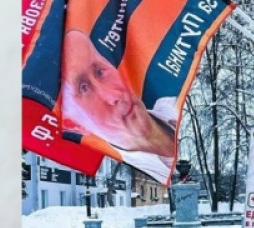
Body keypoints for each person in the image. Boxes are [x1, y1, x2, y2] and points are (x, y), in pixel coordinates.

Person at [60, 29, 176, 181]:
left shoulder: (178, 103)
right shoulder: (130, 173)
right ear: (74, 124)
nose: (112, 96)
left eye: (100, 72)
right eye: (84, 88)